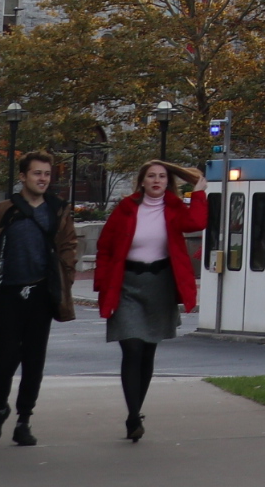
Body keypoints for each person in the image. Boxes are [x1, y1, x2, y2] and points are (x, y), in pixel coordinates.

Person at [0, 149, 81, 446]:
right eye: (37, 173)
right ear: (23, 176)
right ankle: (0, 408)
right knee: (3, 358)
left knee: (34, 360)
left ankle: (23, 420)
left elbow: (68, 245)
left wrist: (65, 276)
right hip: (7, 295)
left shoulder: (57, 210)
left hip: (41, 294)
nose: (43, 178)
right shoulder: (2, 211)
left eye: (47, 173)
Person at [92, 159, 208, 441]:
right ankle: (133, 417)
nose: (156, 181)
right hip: (127, 285)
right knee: (131, 348)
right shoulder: (126, 208)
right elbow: (105, 247)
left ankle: (136, 410)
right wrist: (104, 286)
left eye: (162, 177)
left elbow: (197, 222)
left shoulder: (174, 208)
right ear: (142, 181)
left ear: (168, 183)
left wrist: (199, 191)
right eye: (151, 176)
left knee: (147, 352)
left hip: (159, 285)